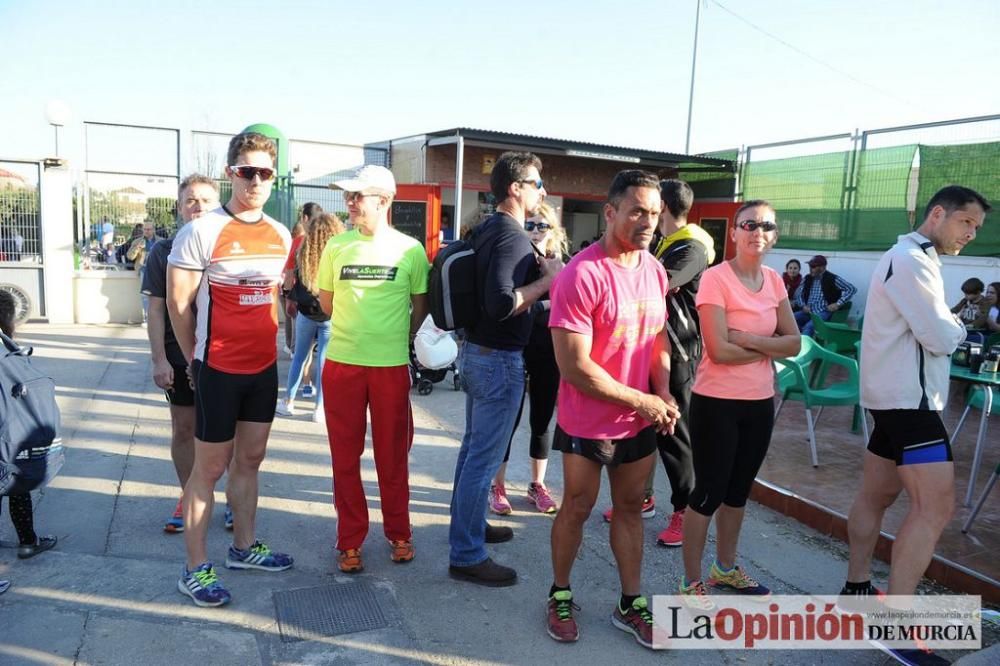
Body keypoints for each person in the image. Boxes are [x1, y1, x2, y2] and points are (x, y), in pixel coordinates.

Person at [842, 185, 989, 665]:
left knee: (877, 496)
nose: (971, 234)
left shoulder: (909, 257)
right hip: (911, 405)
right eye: (966, 222)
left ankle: (858, 589)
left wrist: (947, 322)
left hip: (893, 402)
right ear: (938, 213)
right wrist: (959, 325)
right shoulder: (910, 260)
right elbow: (940, 334)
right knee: (935, 508)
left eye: (977, 227)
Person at [544, 170, 678, 649]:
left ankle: (631, 602)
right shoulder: (581, 274)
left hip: (638, 418)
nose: (647, 221)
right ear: (611, 211)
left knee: (629, 509)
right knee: (577, 508)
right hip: (588, 420)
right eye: (638, 210)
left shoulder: (654, 269)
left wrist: (660, 389)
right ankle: (559, 593)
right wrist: (642, 398)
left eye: (655, 213)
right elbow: (575, 367)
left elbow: (657, 335)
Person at [167, 131, 293, 608]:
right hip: (217, 367)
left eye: (265, 173)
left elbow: (274, 298)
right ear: (231, 173)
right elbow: (179, 305)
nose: (256, 181)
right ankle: (195, 568)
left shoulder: (280, 235)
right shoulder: (201, 231)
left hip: (262, 369)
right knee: (210, 468)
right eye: (247, 172)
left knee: (251, 460)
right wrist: (194, 359)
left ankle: (243, 547)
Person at [678, 200, 800, 610]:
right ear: (733, 233)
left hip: (759, 403)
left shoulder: (775, 282)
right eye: (748, 224)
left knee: (738, 494)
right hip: (717, 404)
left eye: (766, 225)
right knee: (709, 493)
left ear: (774, 235)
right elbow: (718, 350)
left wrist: (748, 340)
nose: (756, 232)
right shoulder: (715, 279)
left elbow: (795, 343)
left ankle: (725, 569)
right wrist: (770, 348)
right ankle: (691, 582)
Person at [448, 151, 562, 587]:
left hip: (479, 355)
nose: (542, 191)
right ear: (515, 188)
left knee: (473, 451)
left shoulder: (489, 229)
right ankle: (466, 553)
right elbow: (500, 304)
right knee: (482, 457)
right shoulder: (511, 235)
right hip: (497, 361)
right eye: (536, 183)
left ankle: (470, 531)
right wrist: (548, 281)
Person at [317, 165, 429, 573]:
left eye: (356, 196)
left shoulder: (410, 250)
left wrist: (391, 338)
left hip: (389, 367)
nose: (349, 203)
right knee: (344, 458)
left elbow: (420, 309)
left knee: (392, 456)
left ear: (383, 201)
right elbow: (326, 304)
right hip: (343, 365)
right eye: (348, 196)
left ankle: (399, 532)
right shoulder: (336, 247)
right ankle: (349, 540)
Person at [605, 178, 715, 549]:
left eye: (650, 208)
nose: (646, 216)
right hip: (647, 347)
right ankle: (643, 497)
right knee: (643, 428)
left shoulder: (692, 247)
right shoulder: (664, 246)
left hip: (678, 354)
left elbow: (657, 285)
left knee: (675, 436)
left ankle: (685, 510)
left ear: (662, 207)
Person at [141, 174, 226, 533]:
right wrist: (160, 359)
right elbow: (157, 310)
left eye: (206, 200)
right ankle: (189, 495)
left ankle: (236, 498)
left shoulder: (230, 246)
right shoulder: (163, 251)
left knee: (229, 432)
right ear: (179, 207)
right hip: (179, 357)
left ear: (218, 205)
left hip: (224, 355)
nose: (198, 207)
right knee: (184, 429)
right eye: (191, 200)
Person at [488, 202, 567, 516]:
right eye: (529, 225)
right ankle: (498, 485)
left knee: (542, 420)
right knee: (508, 420)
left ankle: (537, 484)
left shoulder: (564, 265)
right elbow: (504, 304)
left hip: (549, 351)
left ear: (553, 230)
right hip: (514, 349)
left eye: (541, 226)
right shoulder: (515, 261)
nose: (535, 231)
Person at [0, 288, 58, 599]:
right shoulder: (7, 352)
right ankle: (27, 540)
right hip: (6, 435)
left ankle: (29, 540)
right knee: (16, 481)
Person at [277, 212, 344, 422]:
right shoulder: (340, 251)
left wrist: (288, 297)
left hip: (306, 311)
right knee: (324, 360)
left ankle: (288, 402)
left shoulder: (302, 248)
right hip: (331, 313)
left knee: (299, 357)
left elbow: (289, 277)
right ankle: (320, 409)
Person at [282, 202, 322, 360]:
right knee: (323, 353)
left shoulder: (299, 242)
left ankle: (302, 382)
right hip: (324, 304)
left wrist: (287, 296)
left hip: (302, 302)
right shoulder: (330, 241)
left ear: (305, 218)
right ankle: (320, 385)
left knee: (300, 354)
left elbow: (289, 271)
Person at [792, 254, 857, 336]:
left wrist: (838, 304)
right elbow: (798, 295)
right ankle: (793, 341)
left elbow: (851, 289)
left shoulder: (832, 278)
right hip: (808, 311)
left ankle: (805, 346)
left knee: (809, 326)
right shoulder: (807, 278)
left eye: (813, 266)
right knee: (790, 319)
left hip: (823, 311)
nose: (810, 269)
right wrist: (803, 305)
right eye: (810, 266)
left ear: (823, 267)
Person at [129, 222, 159, 325]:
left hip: (157, 270)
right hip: (144, 270)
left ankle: (159, 318)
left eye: (149, 229)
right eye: (145, 229)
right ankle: (147, 319)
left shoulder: (160, 241)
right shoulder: (137, 241)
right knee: (145, 295)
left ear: (153, 230)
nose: (147, 231)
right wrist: (137, 248)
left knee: (159, 295)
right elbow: (130, 256)